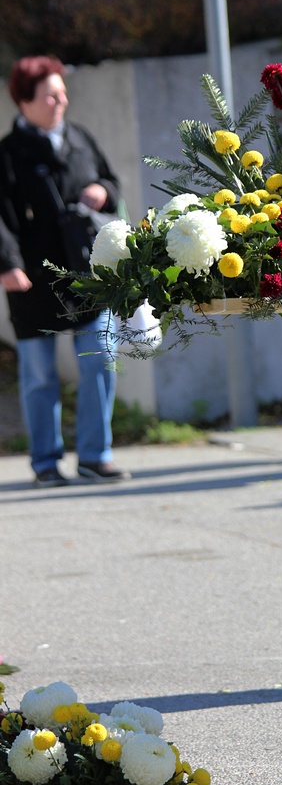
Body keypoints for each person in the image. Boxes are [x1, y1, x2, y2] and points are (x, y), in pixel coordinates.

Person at [0, 56, 130, 487]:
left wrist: (103, 191)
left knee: (101, 362)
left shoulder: (79, 138)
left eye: (63, 92)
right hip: (32, 281)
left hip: (89, 274)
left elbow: (112, 182)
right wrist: (7, 265)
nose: (61, 100)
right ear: (24, 101)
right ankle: (45, 464)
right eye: (51, 94)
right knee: (39, 377)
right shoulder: (8, 154)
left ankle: (95, 456)